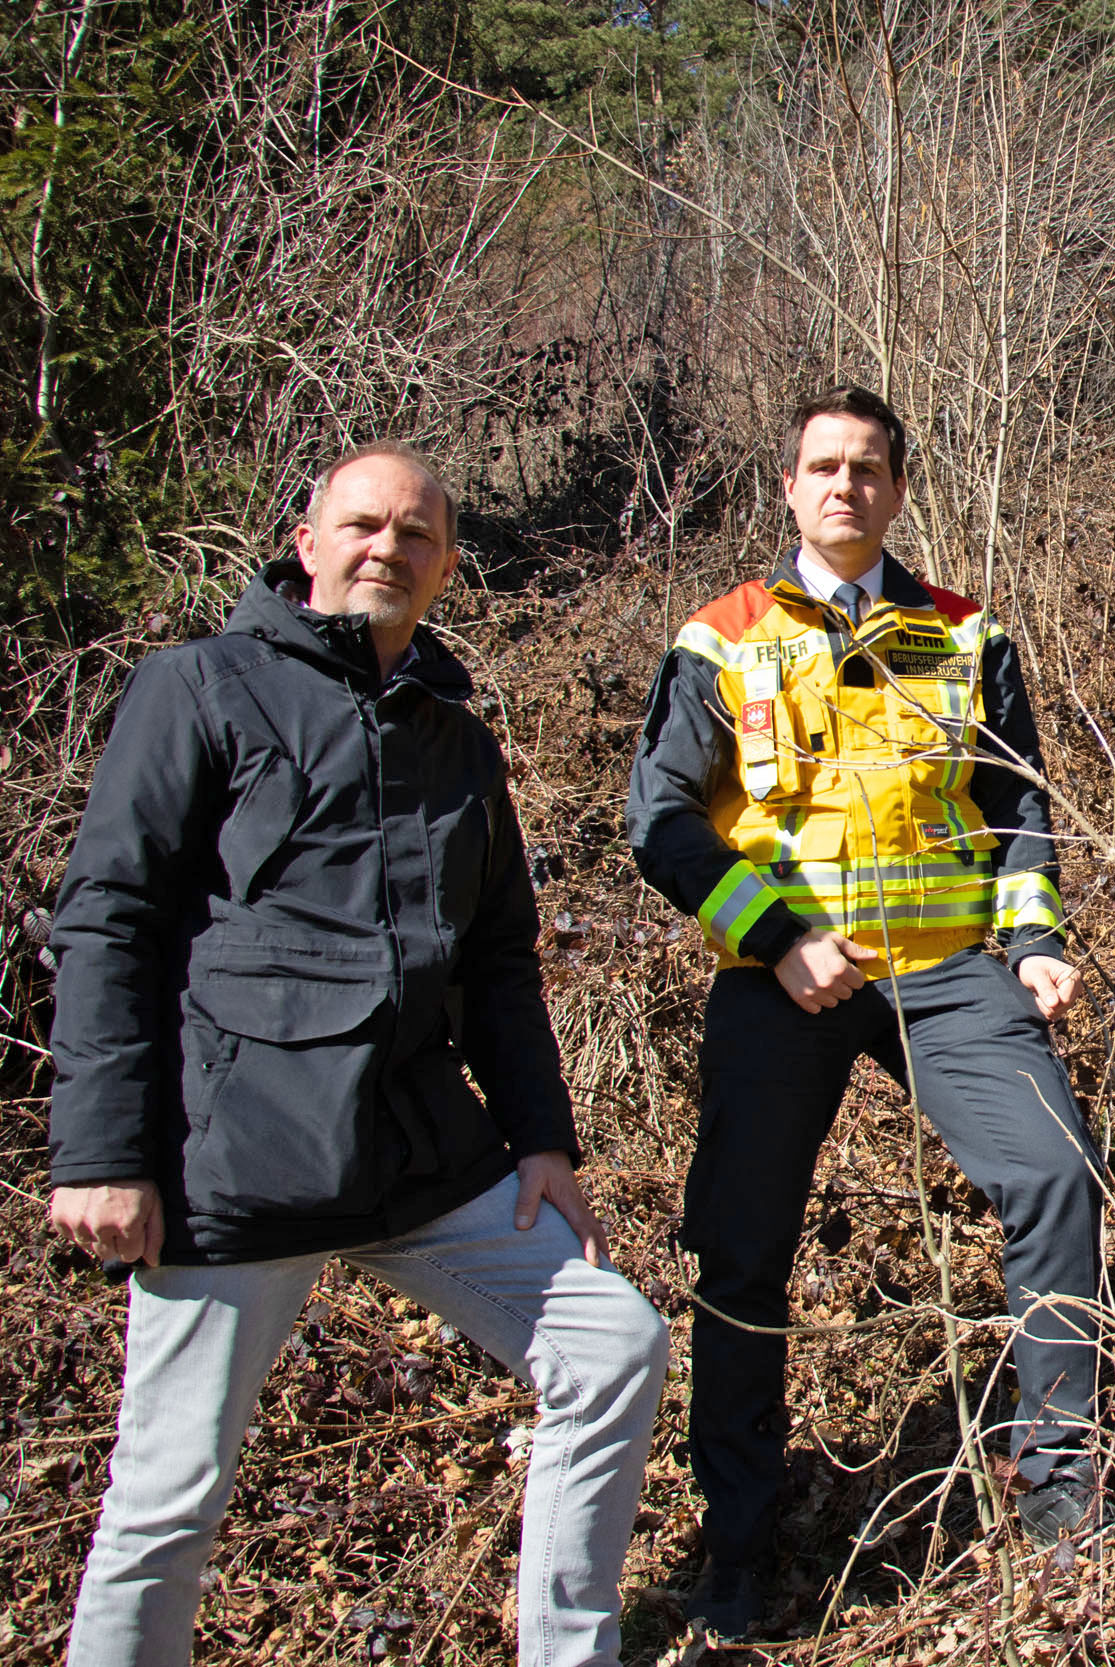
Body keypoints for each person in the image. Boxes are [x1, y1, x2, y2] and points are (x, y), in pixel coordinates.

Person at [46, 443, 669, 1667]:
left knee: (612, 1342)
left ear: (444, 569)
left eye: (419, 534)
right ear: (310, 542)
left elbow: (498, 957)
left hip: (417, 1148)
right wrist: (104, 1153)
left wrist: (542, 1137)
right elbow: (109, 917)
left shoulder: (457, 741)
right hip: (237, 1159)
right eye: (366, 524)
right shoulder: (201, 687)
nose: (390, 547)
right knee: (168, 1497)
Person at [626, 386, 1101, 1639]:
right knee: (740, 1245)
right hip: (786, 981)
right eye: (822, 467)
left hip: (949, 971)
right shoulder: (719, 638)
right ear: (787, 486)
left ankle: (1064, 1507)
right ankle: (734, 1540)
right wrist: (775, 938)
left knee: (1056, 1177)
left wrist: (1037, 936)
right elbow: (660, 821)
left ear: (898, 487)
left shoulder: (965, 630)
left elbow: (1017, 806)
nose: (845, 485)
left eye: (868, 467)